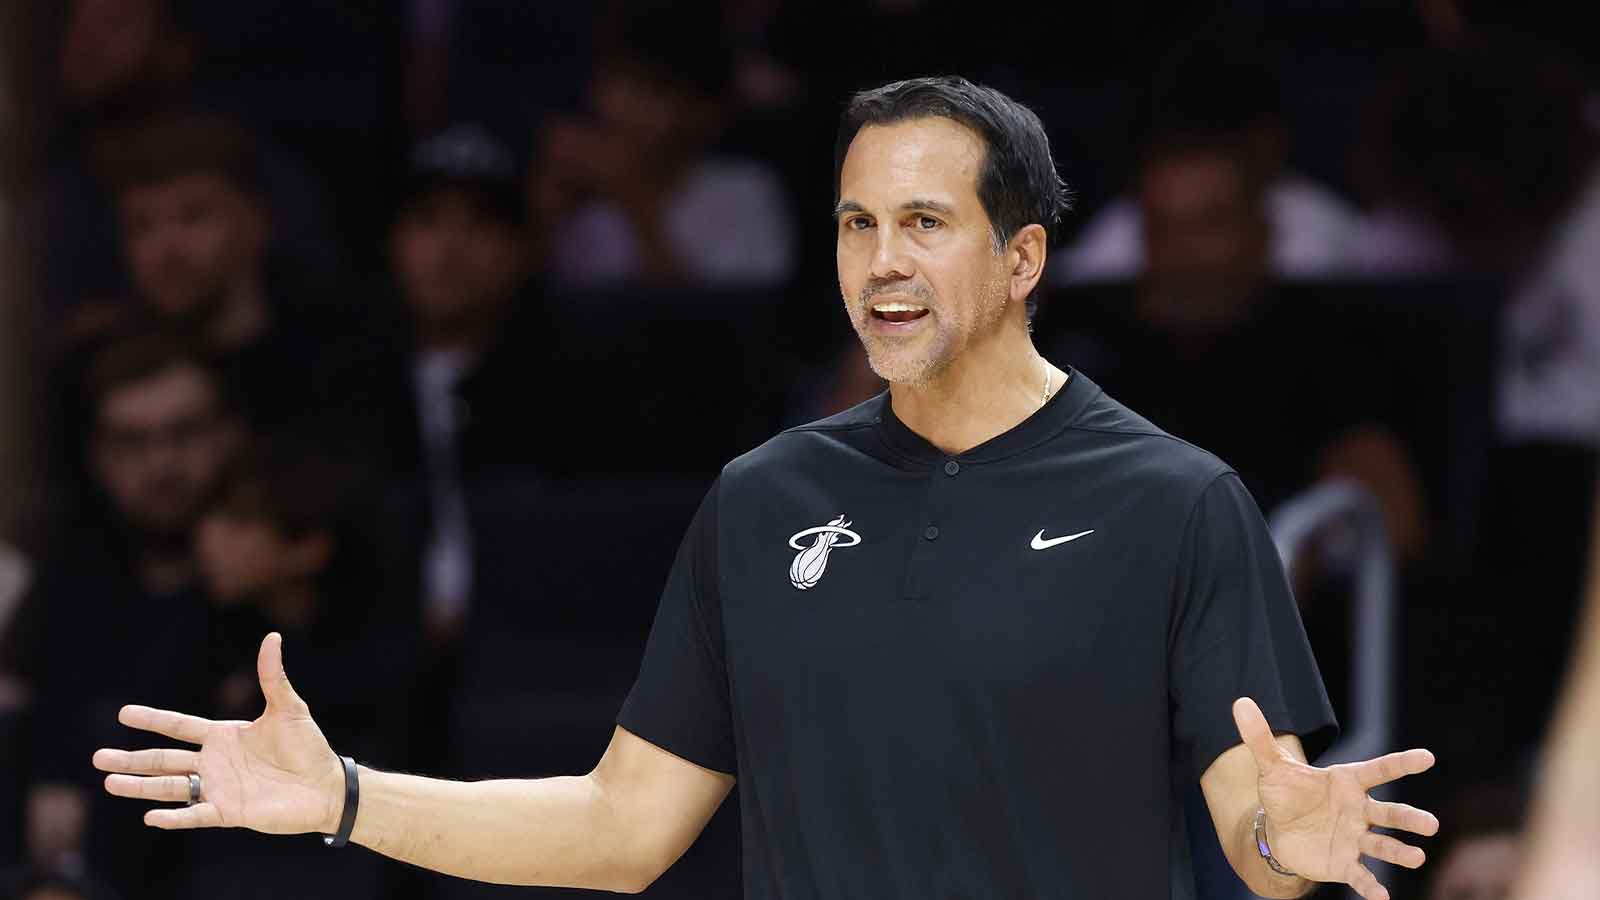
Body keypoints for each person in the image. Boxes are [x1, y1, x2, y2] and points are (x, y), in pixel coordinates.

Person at [94, 77, 1439, 899]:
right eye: (858, 223)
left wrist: (1293, 846)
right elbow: (621, 830)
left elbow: (1248, 838)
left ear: (1024, 260)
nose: (881, 261)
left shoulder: (1176, 502)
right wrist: (343, 796)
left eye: (925, 222)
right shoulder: (761, 498)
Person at [13, 331, 241, 893]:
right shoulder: (69, 578)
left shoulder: (275, 581)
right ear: (98, 456)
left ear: (228, 433)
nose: (162, 463)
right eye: (133, 442)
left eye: (183, 433)